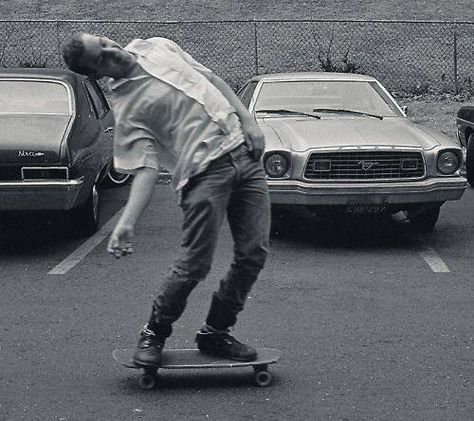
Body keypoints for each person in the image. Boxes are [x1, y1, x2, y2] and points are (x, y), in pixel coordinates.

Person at [61, 32, 271, 366]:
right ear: (95, 73)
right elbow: (145, 169)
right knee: (195, 265)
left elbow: (211, 79)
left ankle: (216, 332)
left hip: (244, 156)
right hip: (203, 175)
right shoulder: (127, 107)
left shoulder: (157, 46)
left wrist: (249, 120)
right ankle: (153, 333)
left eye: (102, 41)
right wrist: (126, 224)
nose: (110, 50)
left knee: (253, 253)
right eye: (99, 58)